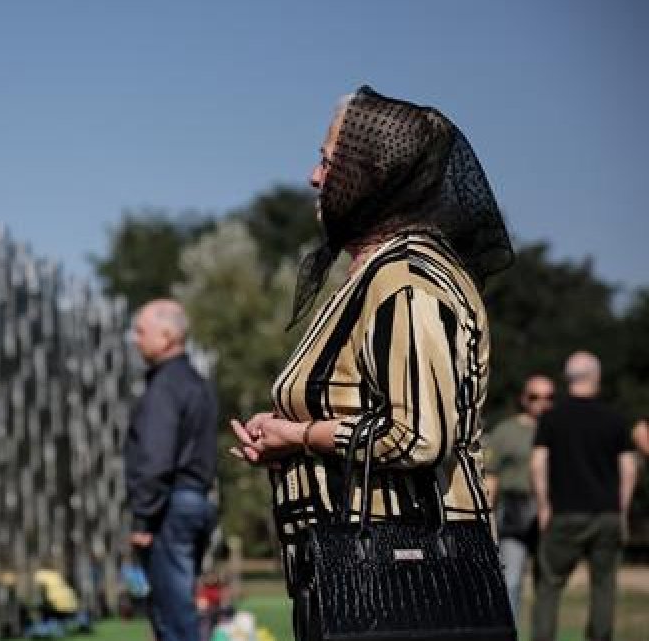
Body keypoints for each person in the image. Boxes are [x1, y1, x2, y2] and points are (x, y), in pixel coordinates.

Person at [229, 86, 514, 640]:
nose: (315, 177)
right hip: (363, 579)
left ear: (375, 178)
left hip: (404, 580)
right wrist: (287, 441)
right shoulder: (375, 273)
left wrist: (301, 434)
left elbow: (418, 436)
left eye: (329, 162)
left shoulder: (405, 282)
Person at [124, 299, 218, 641]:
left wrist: (143, 517)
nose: (134, 338)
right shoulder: (196, 381)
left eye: (140, 331)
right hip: (196, 502)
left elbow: (156, 457)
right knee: (179, 613)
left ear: (166, 336)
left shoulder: (165, 386)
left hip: (170, 508)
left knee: (173, 620)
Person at [529, 351, 637, 641]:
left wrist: (544, 506)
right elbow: (628, 467)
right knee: (604, 586)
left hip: (565, 513)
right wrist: (622, 510)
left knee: (549, 585)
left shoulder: (552, 418)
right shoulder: (615, 419)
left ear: (568, 380)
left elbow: (538, 462)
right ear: (596, 378)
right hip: (606, 514)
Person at [485, 374, 555, 620]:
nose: (542, 403)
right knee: (511, 579)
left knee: (547, 584)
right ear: (524, 399)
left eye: (549, 397)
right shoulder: (505, 431)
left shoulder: (559, 428)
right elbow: (491, 477)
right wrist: (487, 519)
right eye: (535, 396)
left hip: (550, 511)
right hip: (514, 510)